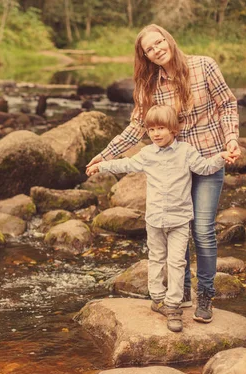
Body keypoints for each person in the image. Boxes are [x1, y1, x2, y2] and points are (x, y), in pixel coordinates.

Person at [86, 24, 240, 324]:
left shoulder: (204, 65)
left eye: (159, 42)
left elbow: (227, 104)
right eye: (150, 49)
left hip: (207, 157)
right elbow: (136, 128)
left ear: (169, 38)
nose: (157, 49)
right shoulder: (149, 84)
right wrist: (105, 156)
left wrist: (231, 138)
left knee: (203, 229)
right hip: (174, 165)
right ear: (146, 56)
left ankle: (205, 295)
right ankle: (180, 291)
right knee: (175, 225)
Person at [87, 105, 234, 332]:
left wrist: (221, 157)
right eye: (151, 129)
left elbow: (204, 168)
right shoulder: (147, 154)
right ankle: (157, 298)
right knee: (156, 259)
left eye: (161, 128)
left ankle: (173, 305)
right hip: (154, 219)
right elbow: (125, 164)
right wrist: (101, 166)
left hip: (179, 220)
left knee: (177, 262)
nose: (156, 133)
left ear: (174, 129)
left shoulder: (186, 151)